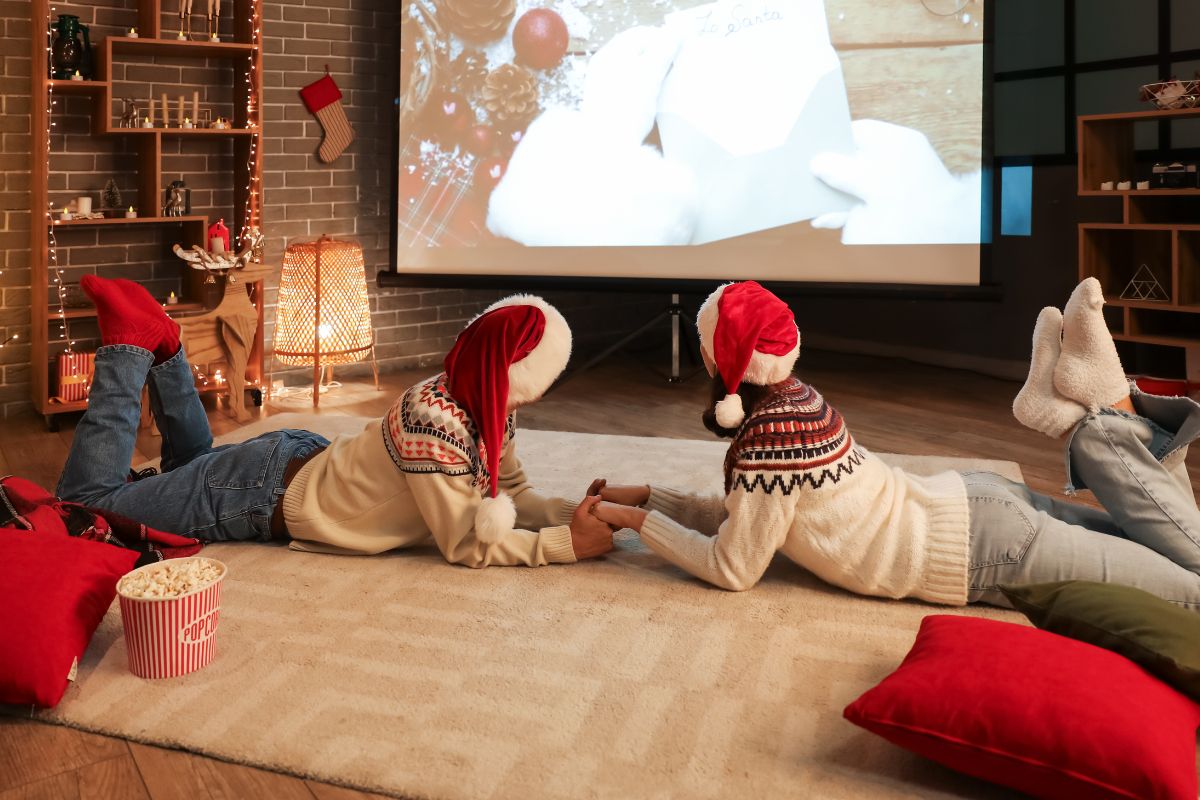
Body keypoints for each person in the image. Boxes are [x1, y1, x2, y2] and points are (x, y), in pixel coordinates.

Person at [587, 280, 1200, 609]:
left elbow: (733, 564)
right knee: (1173, 553)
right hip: (974, 506)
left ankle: (1100, 412)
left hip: (985, 549)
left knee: (1194, 595)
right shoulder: (799, 402)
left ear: (717, 359)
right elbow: (752, 519)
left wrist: (643, 522)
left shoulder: (768, 441)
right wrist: (651, 496)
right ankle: (1103, 410)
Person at [57, 276, 613, 567]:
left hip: (288, 463)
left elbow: (511, 494)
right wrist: (567, 545)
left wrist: (578, 513)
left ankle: (166, 350)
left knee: (193, 471)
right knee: (82, 510)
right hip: (262, 491)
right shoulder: (436, 426)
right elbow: (467, 543)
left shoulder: (486, 402)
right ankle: (131, 351)